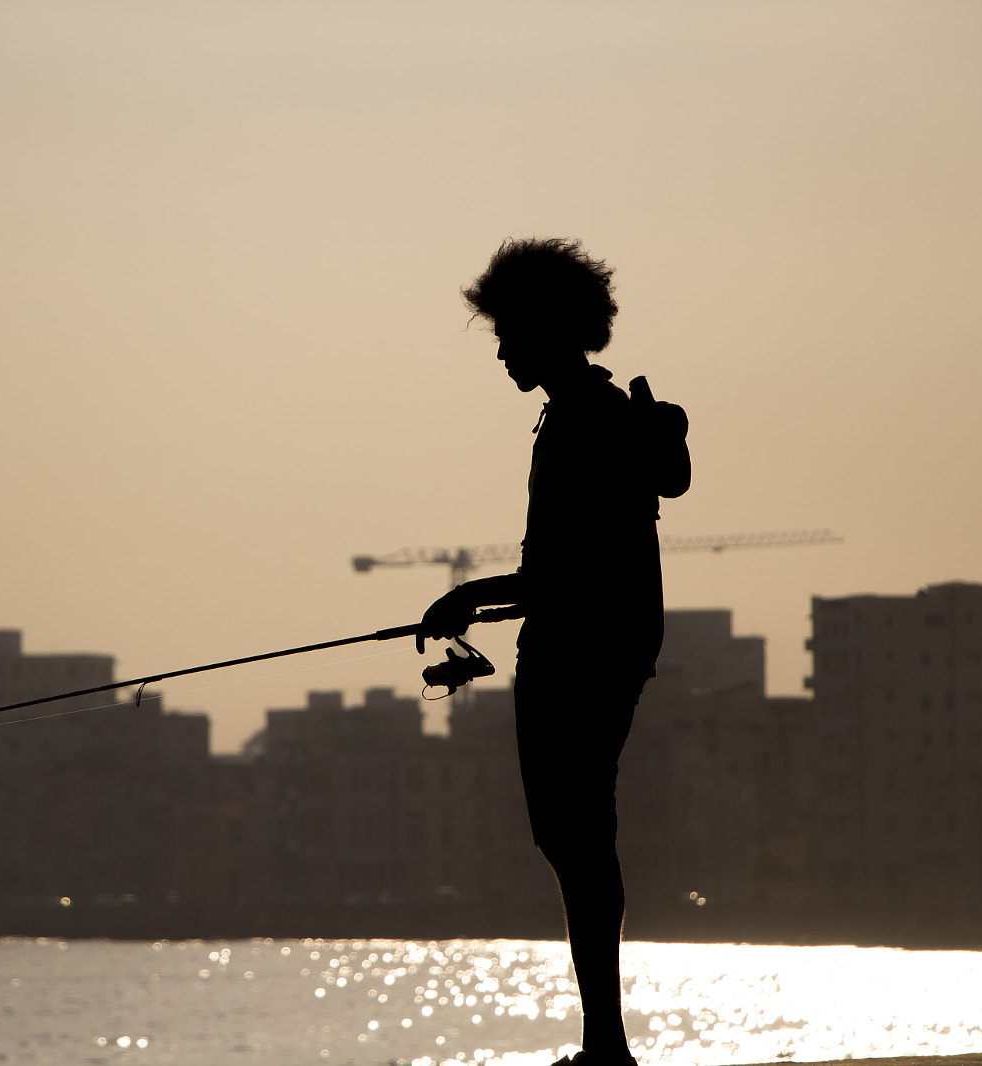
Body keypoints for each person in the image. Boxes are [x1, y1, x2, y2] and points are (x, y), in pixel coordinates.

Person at [417, 238, 690, 1066]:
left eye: (507, 332)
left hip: (582, 654)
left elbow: (564, 576)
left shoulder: (590, 423)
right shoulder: (577, 416)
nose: (500, 349)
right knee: (575, 838)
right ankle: (604, 1043)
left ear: (544, 327)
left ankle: (605, 1046)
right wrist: (485, 598)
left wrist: (471, 597)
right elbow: (564, 573)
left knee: (576, 838)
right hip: (593, 645)